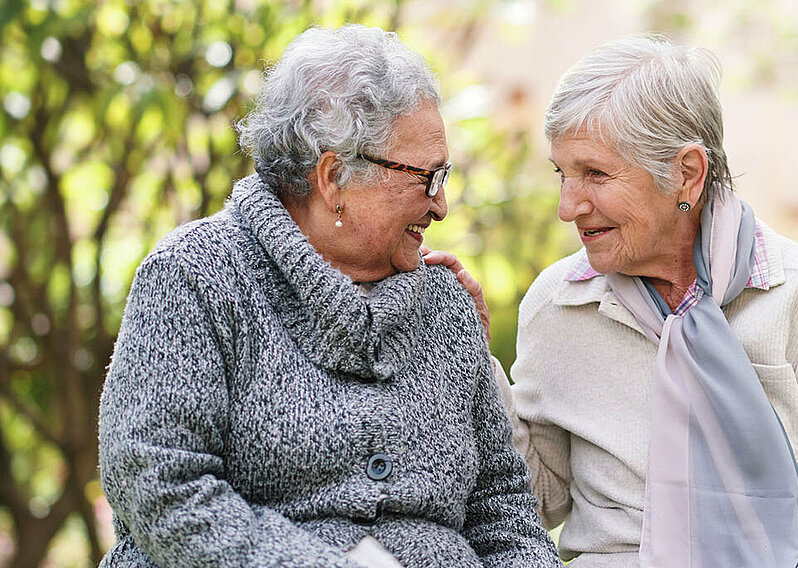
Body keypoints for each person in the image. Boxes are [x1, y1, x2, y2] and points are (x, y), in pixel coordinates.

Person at [97, 25, 558, 568]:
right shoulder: (196, 277)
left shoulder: (443, 303)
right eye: (427, 178)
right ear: (335, 176)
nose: (441, 207)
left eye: (445, 176)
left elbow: (504, 509)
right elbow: (158, 483)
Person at [447, 36, 798, 567]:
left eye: (595, 174)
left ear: (687, 173)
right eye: (562, 173)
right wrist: (475, 363)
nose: (568, 206)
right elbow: (538, 499)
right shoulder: (557, 307)